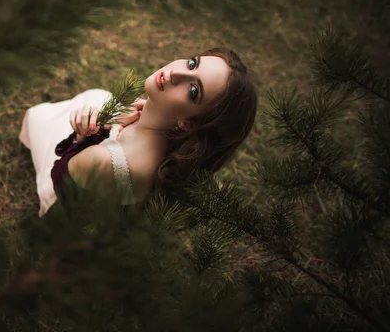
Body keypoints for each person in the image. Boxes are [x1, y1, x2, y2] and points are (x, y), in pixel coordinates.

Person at [19, 47, 258, 217]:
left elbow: (60, 177)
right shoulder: (168, 140)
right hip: (98, 182)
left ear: (188, 123)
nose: (176, 73)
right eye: (192, 64)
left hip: (66, 200)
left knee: (39, 117)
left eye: (193, 91)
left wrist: (86, 133)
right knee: (97, 98)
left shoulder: (108, 162)